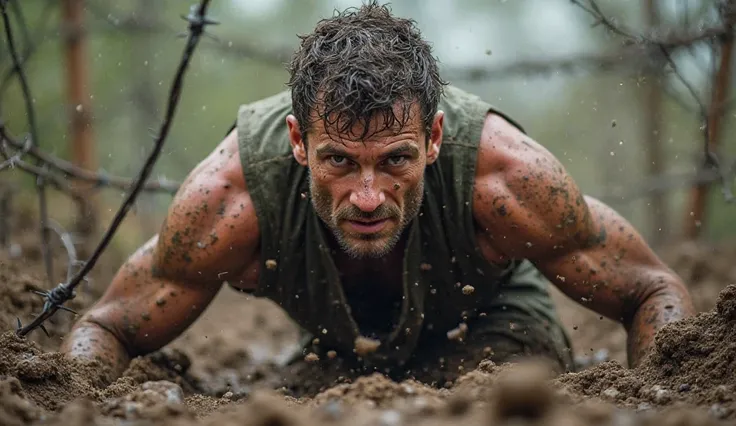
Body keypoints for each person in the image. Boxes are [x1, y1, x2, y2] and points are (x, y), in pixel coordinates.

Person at [60, 2, 695, 392]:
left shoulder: (503, 178)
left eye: (395, 161)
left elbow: (651, 289)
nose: (367, 197)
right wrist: (73, 402)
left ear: (435, 138)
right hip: (336, 354)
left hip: (490, 336)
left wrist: (665, 401)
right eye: (339, 160)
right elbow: (107, 326)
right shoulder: (231, 198)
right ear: (299, 141)